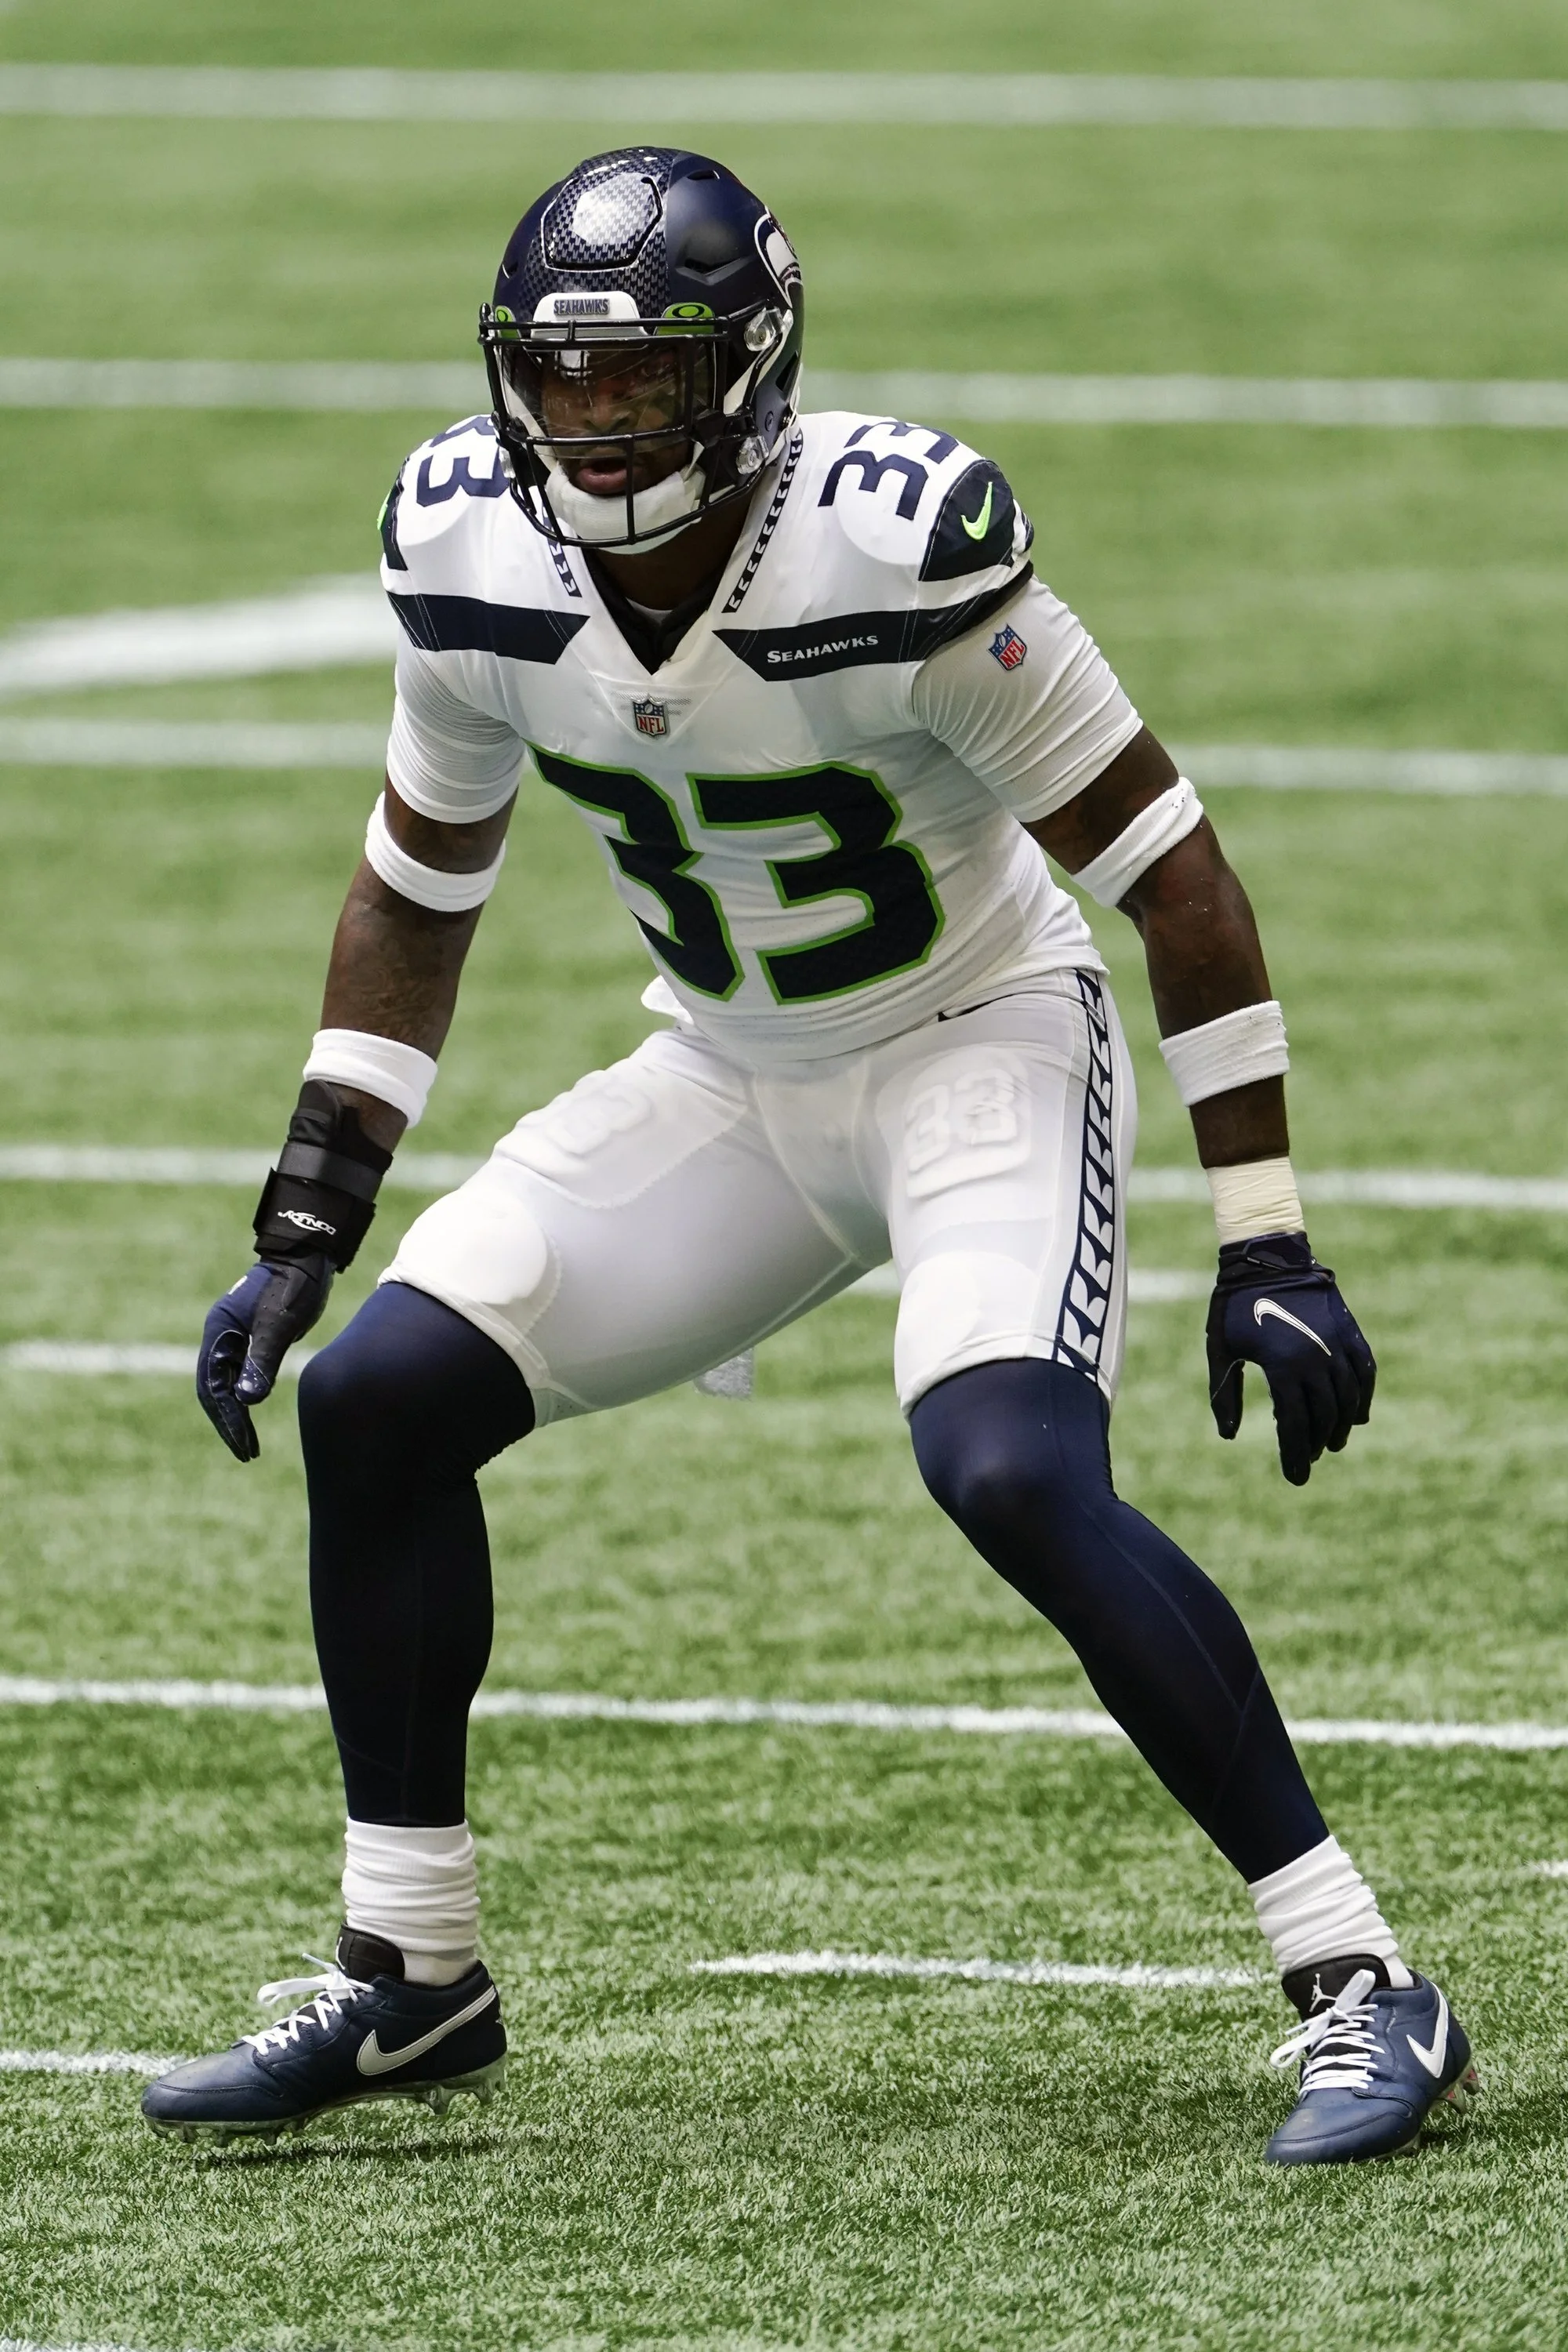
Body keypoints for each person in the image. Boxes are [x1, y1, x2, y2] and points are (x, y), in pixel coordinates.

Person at [143, 148, 1474, 2162]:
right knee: (380, 1400)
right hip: (732, 1076)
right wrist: (311, 1211)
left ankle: (1362, 1978)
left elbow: (1174, 879)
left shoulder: (893, 549)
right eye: (559, 375)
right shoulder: (469, 548)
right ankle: (413, 1973)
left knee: (1007, 1466)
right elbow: (417, 881)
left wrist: (1268, 1238)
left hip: (976, 1047)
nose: (594, 421)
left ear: (751, 373)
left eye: (642, 375)